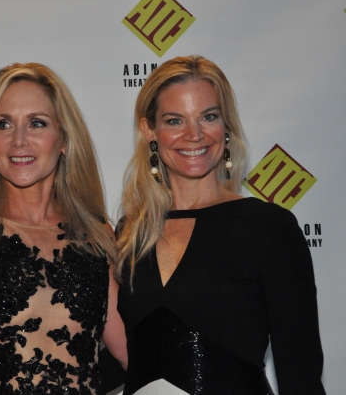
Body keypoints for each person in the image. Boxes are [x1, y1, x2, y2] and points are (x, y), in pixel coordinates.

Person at [116, 56, 325, 395]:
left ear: (226, 125)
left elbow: (299, 373)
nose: (194, 134)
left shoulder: (269, 227)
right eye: (174, 120)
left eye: (208, 117)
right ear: (149, 130)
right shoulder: (130, 233)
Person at [0, 63, 127, 395]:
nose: (19, 140)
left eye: (37, 123)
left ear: (64, 139)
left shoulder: (96, 236)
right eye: (3, 124)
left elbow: (128, 349)